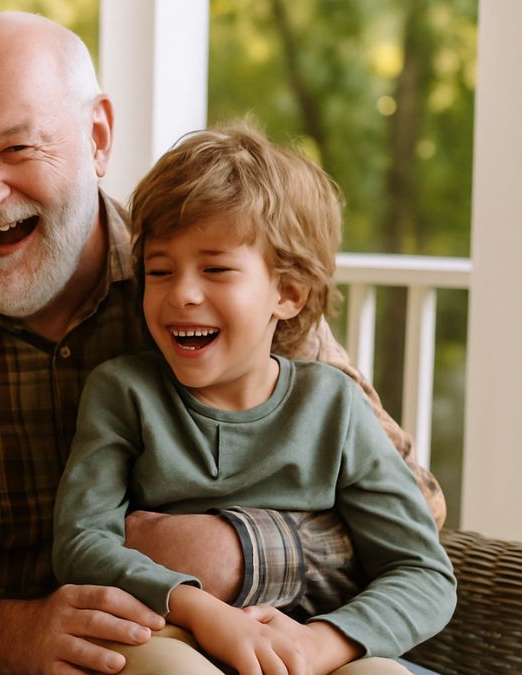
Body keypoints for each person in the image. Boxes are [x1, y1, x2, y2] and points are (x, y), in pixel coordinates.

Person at [0, 11, 447, 675]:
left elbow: (420, 510)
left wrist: (241, 550)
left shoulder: (230, 266)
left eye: (18, 149)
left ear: (98, 136)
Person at [52, 123, 455, 674]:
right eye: (160, 271)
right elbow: (79, 543)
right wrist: (199, 609)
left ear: (287, 293)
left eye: (215, 269)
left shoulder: (333, 406)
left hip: (309, 648)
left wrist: (320, 645)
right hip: (170, 631)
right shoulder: (123, 392)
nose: (182, 293)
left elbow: (422, 572)